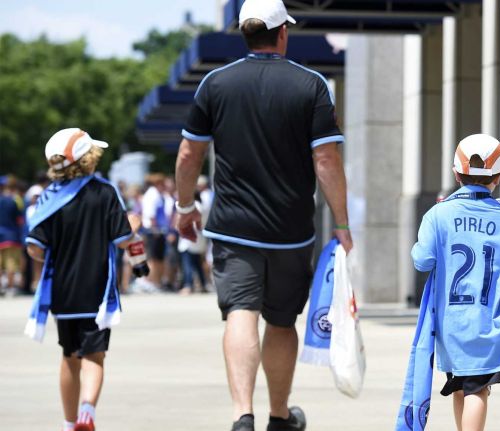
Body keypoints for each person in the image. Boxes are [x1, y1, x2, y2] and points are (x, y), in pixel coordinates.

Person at [175, 1, 352, 430]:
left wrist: (184, 207)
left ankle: (242, 415)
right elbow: (326, 160)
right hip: (290, 231)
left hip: (233, 228)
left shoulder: (214, 84)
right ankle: (278, 414)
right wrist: (343, 225)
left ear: (244, 33)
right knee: (280, 320)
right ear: (283, 33)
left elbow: (189, 152)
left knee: (240, 311)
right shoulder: (311, 85)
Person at [24, 128, 145, 431]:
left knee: (69, 356)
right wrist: (133, 224)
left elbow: (35, 249)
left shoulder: (48, 198)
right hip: (96, 290)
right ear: (88, 158)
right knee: (94, 355)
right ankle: (87, 413)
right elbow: (121, 240)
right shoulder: (104, 192)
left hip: (62, 292)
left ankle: (68, 424)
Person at [411, 134, 500, 431]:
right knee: (477, 390)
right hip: (488, 320)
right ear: (499, 176)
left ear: (456, 173)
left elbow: (421, 260)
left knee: (460, 386)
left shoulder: (438, 214)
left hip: (452, 323)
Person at [0, 175, 25, 296]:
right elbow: (20, 219)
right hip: (12, 236)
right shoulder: (16, 200)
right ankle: (10, 287)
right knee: (11, 263)